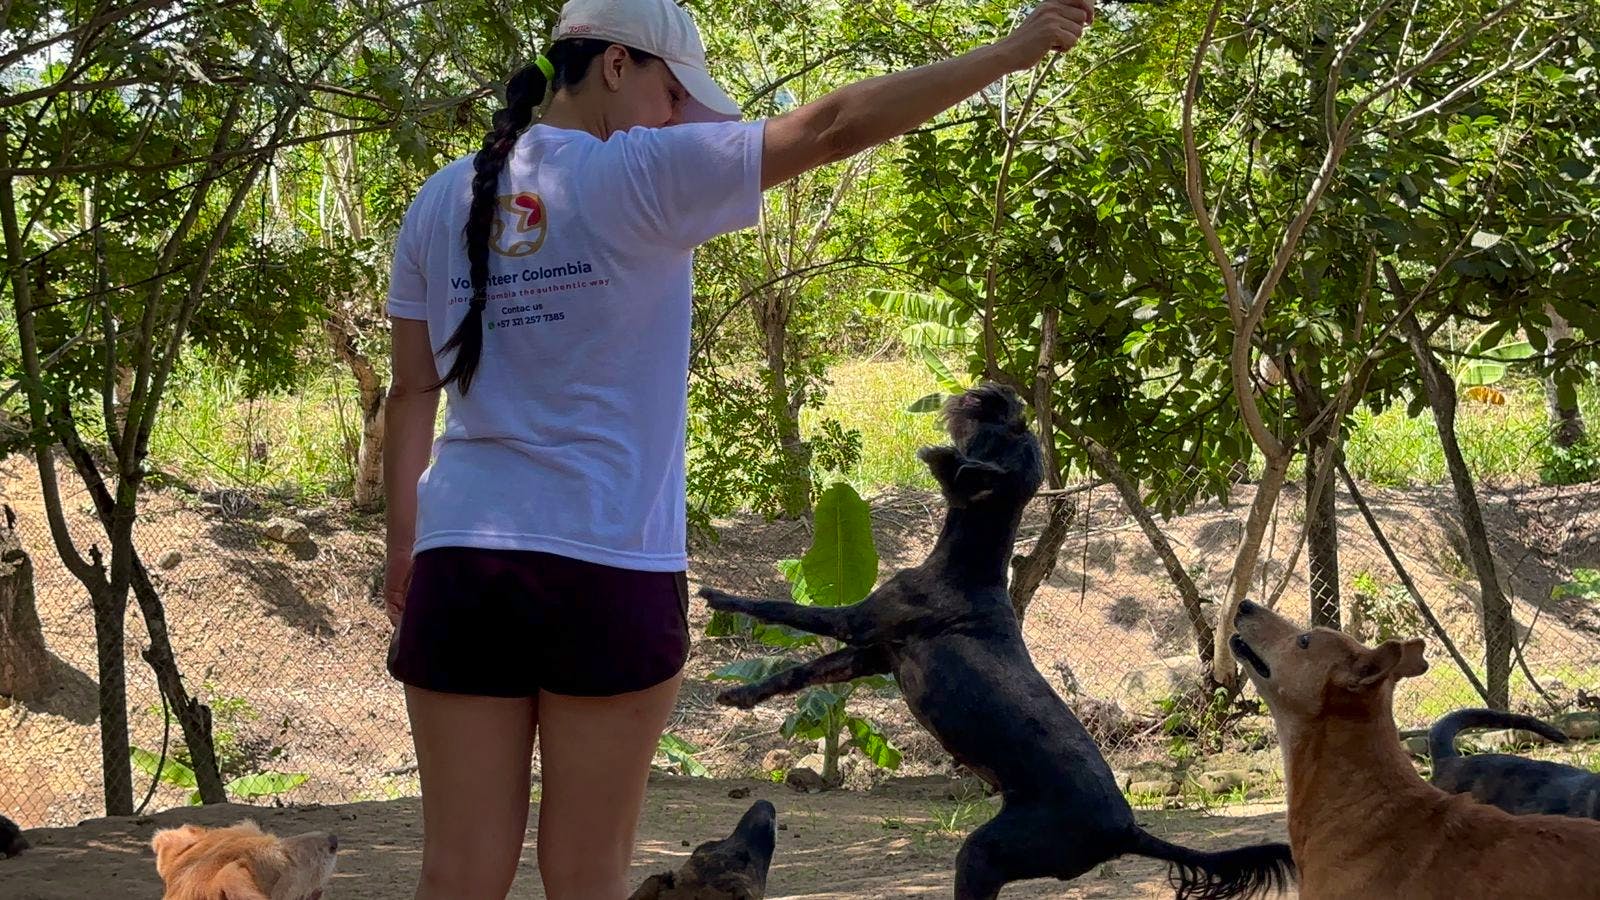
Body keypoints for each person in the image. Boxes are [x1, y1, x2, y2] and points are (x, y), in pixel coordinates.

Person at [381, 0, 1096, 896]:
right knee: (587, 875)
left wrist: (403, 549)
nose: (677, 117)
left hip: (462, 567)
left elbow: (411, 391)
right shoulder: (638, 172)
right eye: (672, 92)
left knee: (455, 872)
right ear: (615, 65)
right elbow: (834, 126)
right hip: (603, 568)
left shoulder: (440, 196)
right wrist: (1010, 51)